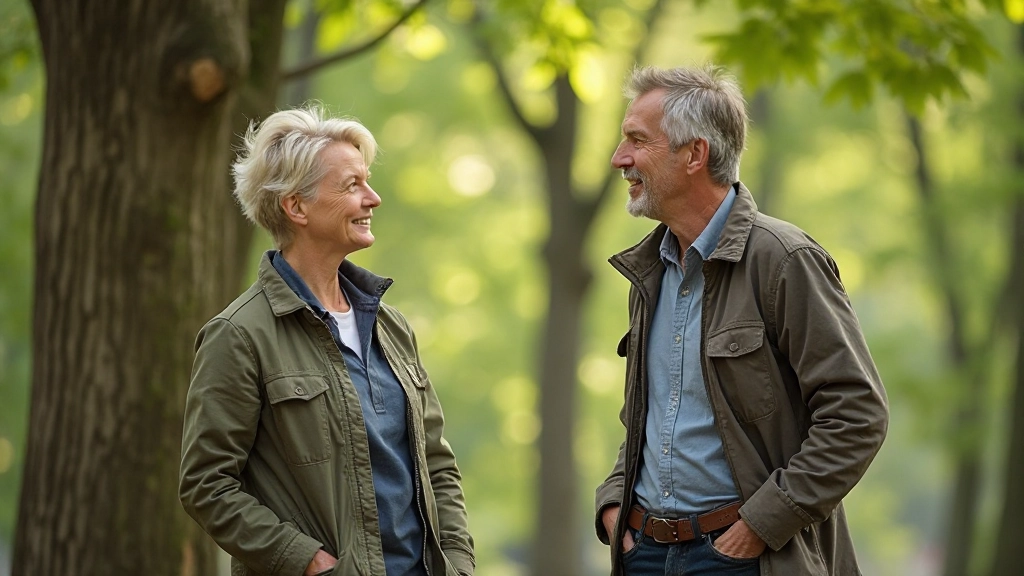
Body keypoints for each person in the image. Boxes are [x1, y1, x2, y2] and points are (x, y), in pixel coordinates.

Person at [594, 65, 889, 575]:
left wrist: (762, 523)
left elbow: (857, 415)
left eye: (637, 141)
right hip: (643, 552)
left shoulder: (785, 260)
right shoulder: (650, 271)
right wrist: (614, 501)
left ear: (695, 154)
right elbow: (651, 417)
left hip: (743, 558)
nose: (620, 158)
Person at [179, 107, 474, 576]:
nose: (373, 198)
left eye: (367, 181)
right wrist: (307, 562)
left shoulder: (392, 327)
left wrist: (457, 562)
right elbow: (206, 485)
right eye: (352, 185)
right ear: (296, 207)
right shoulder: (238, 335)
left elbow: (437, 464)